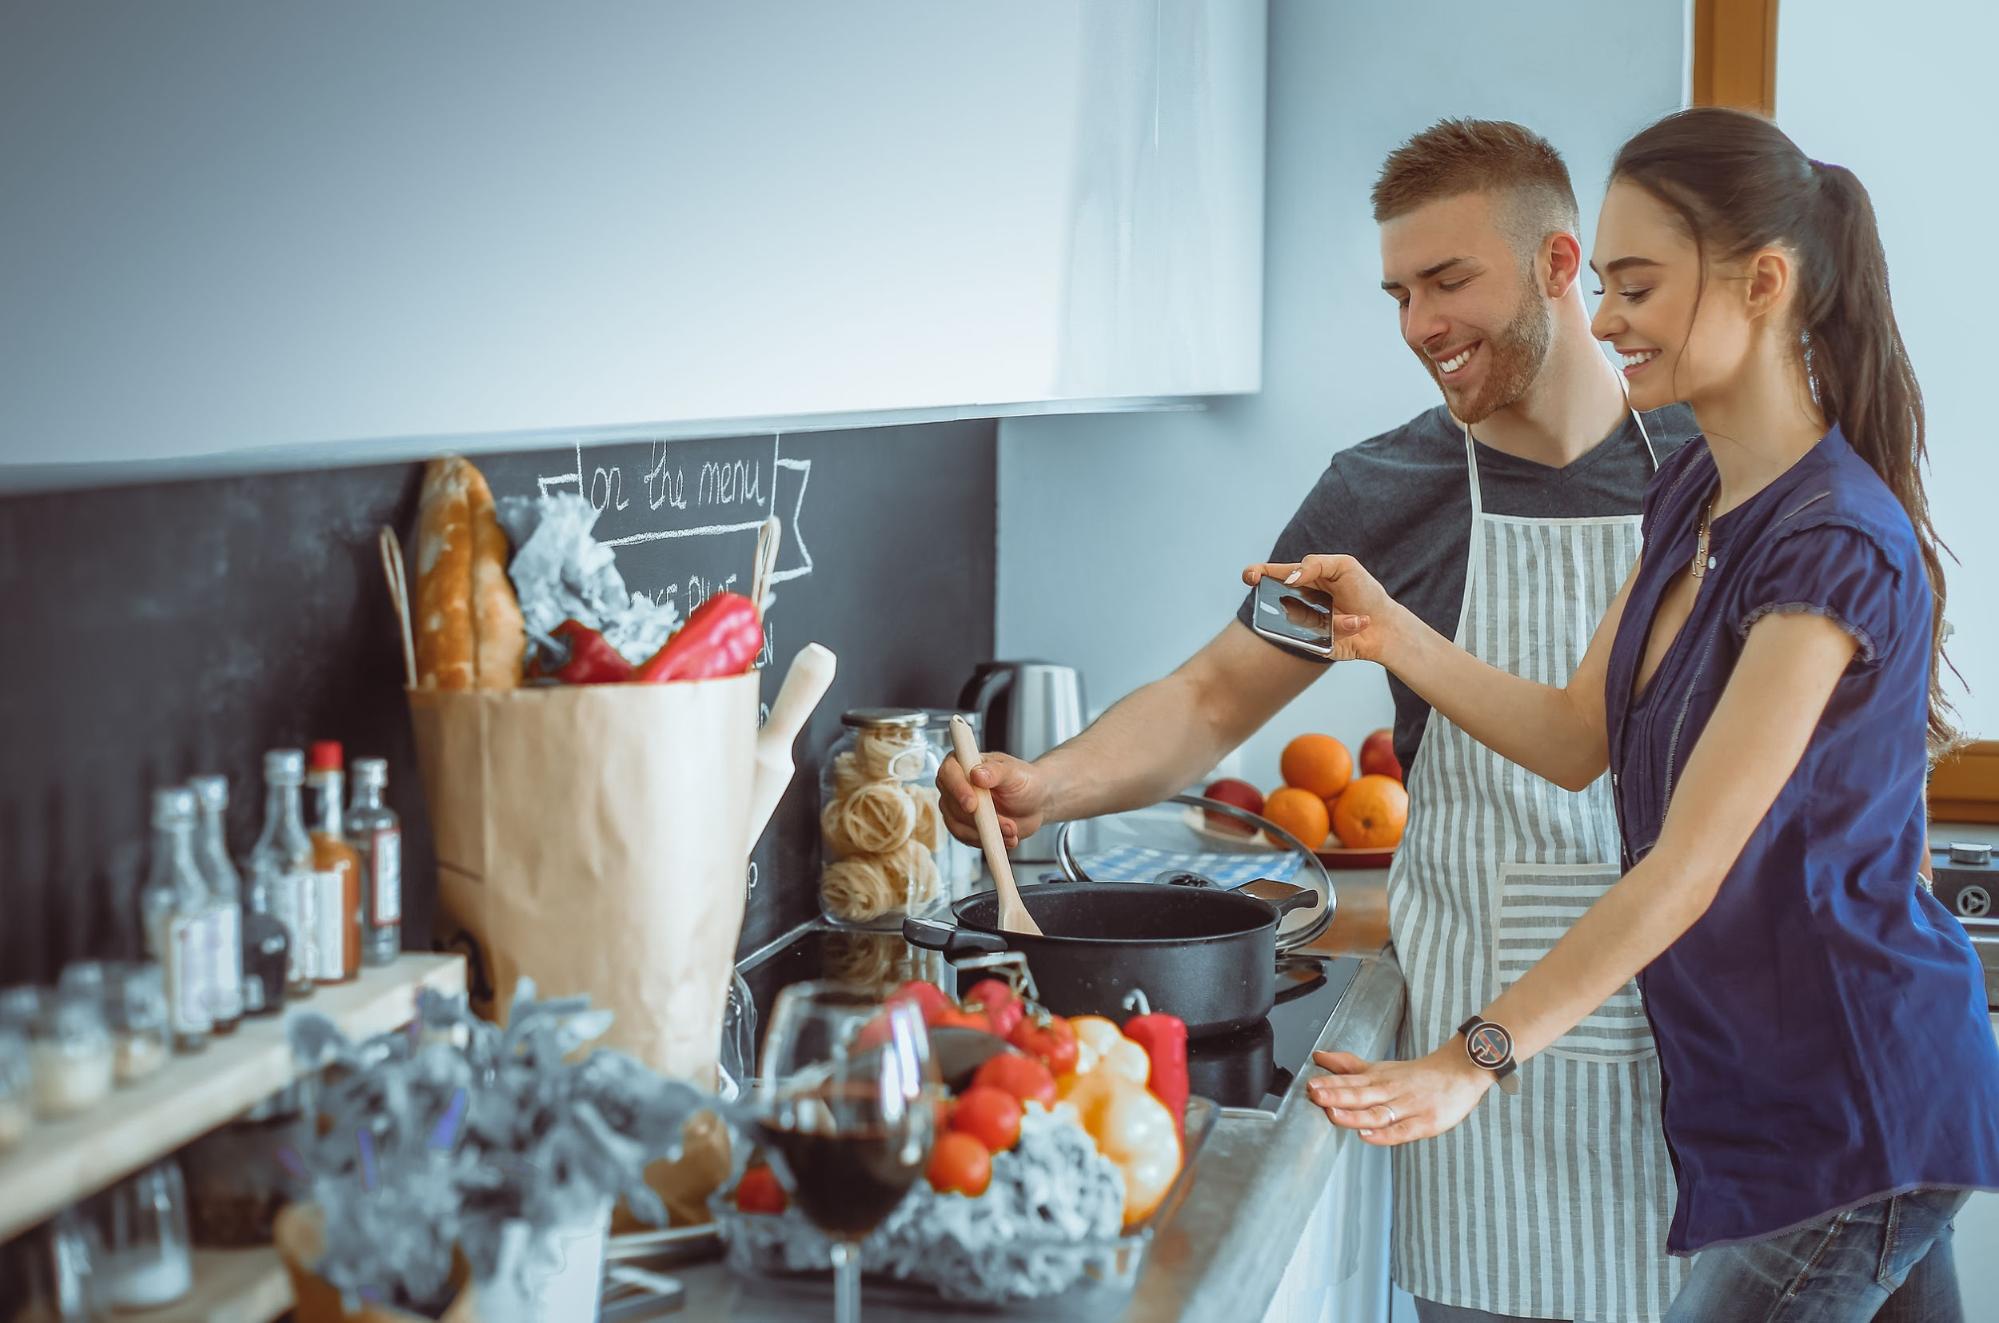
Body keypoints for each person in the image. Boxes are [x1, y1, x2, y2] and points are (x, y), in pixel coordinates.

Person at [942, 120, 1696, 1321]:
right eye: (1399, 293)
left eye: (1450, 282)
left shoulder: (1708, 468)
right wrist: (1051, 783)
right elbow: (1211, 696)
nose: (1418, 326)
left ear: (1562, 264)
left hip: (1690, 1053)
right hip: (1471, 1066)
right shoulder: (1381, 491)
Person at [1281, 107, 1999, 1322]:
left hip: (1849, 1099)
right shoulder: (1698, 497)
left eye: (1637, 286)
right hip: (1770, 1097)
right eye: (1604, 284)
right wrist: (1390, 630)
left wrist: (1472, 1059)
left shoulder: (1827, 543)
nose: (1603, 320)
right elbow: (1576, 736)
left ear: (1761, 285)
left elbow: (1687, 870)